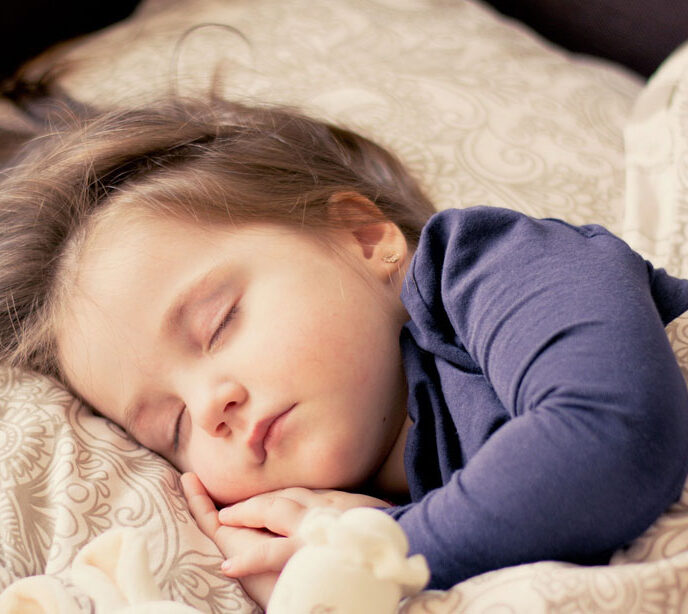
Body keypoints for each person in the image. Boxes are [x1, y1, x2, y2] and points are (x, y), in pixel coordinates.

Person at [2, 97, 688, 611]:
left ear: (363, 237)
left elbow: (611, 434)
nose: (211, 405)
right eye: (171, 427)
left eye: (219, 322)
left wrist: (376, 550)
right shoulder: (404, 493)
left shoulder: (490, 264)